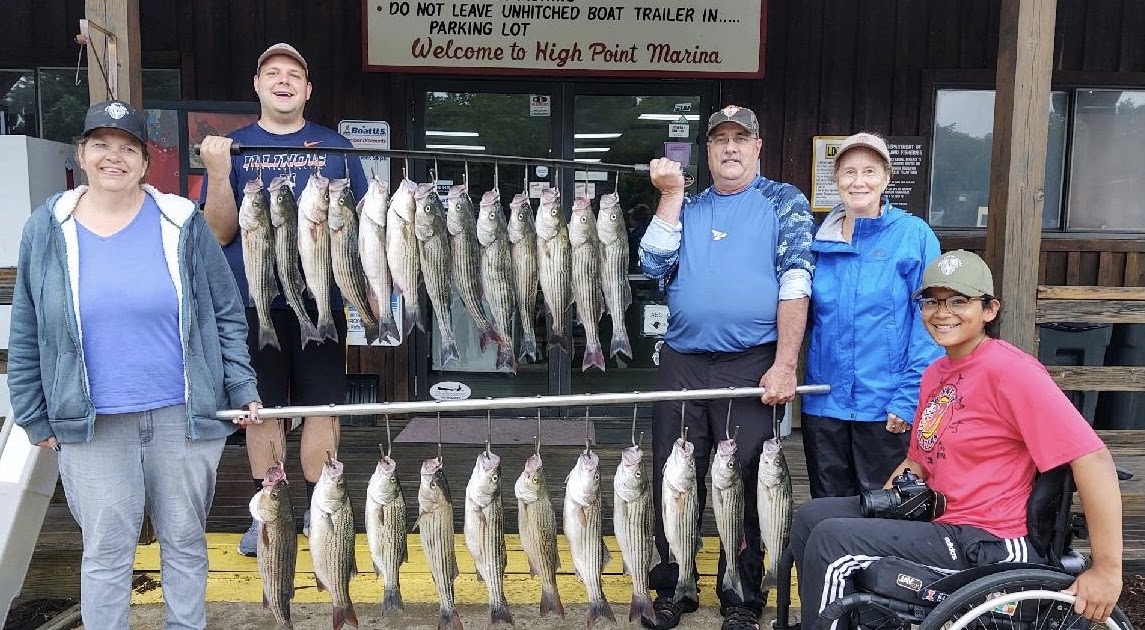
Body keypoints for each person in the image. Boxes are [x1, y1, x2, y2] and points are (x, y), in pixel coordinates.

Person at [7, 99, 262, 629]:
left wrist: (241, 386)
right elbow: (28, 325)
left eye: (128, 148)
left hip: (183, 415)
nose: (114, 158)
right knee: (105, 552)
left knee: (185, 542)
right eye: (101, 145)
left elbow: (226, 310)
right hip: (92, 423)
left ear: (146, 163)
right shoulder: (46, 228)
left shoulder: (181, 222)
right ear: (82, 153)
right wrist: (31, 412)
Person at [789, 250, 1124, 629]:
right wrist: (882, 509)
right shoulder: (937, 372)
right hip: (941, 517)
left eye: (959, 301)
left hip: (991, 537)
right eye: (932, 301)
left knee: (834, 542)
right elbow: (917, 461)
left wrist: (1107, 570)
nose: (942, 312)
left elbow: (1093, 458)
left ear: (989, 310)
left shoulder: (1012, 372)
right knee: (812, 517)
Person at [639, 105, 816, 630]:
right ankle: (674, 586)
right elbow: (652, 266)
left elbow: (796, 280)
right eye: (721, 140)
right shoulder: (687, 206)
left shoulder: (784, 203)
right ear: (707, 151)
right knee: (674, 474)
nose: (731, 148)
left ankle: (741, 593)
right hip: (683, 360)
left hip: (752, 360)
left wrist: (786, 364)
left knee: (748, 477)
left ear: (758, 147)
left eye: (742, 138)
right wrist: (669, 195)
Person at [199, 42, 368, 556]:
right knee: (261, 410)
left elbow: (360, 227)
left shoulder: (335, 147)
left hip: (320, 301)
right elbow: (218, 231)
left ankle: (321, 510)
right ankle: (269, 512)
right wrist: (218, 171)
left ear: (308, 90)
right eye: (273, 73)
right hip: (252, 305)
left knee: (322, 408)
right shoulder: (231, 147)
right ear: (257, 85)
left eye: (294, 74)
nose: (283, 80)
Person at [800, 132, 943, 498]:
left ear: (886, 178)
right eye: (848, 172)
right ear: (836, 181)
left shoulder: (913, 235)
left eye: (869, 171)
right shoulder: (819, 243)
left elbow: (930, 324)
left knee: (884, 512)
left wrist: (909, 397)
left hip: (886, 407)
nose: (858, 181)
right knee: (829, 510)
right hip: (825, 401)